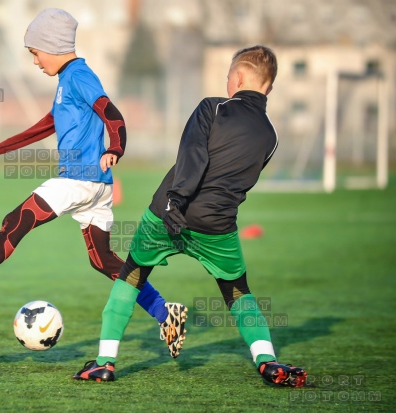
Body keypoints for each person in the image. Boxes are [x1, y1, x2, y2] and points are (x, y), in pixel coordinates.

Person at [0, 8, 187, 358]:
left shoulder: (79, 75)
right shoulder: (67, 81)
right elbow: (44, 126)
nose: (36, 62)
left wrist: (116, 147)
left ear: (52, 46)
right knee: (103, 261)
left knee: (16, 220)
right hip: (96, 188)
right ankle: (165, 313)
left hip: (79, 179)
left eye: (35, 53)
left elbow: (112, 114)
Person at [73, 45, 307, 387]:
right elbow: (239, 181)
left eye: (229, 75)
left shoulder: (213, 107)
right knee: (238, 292)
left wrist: (175, 202)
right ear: (268, 87)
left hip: (168, 214)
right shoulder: (270, 136)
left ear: (238, 77)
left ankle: (105, 363)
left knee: (131, 276)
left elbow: (193, 154)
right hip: (218, 227)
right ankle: (268, 361)